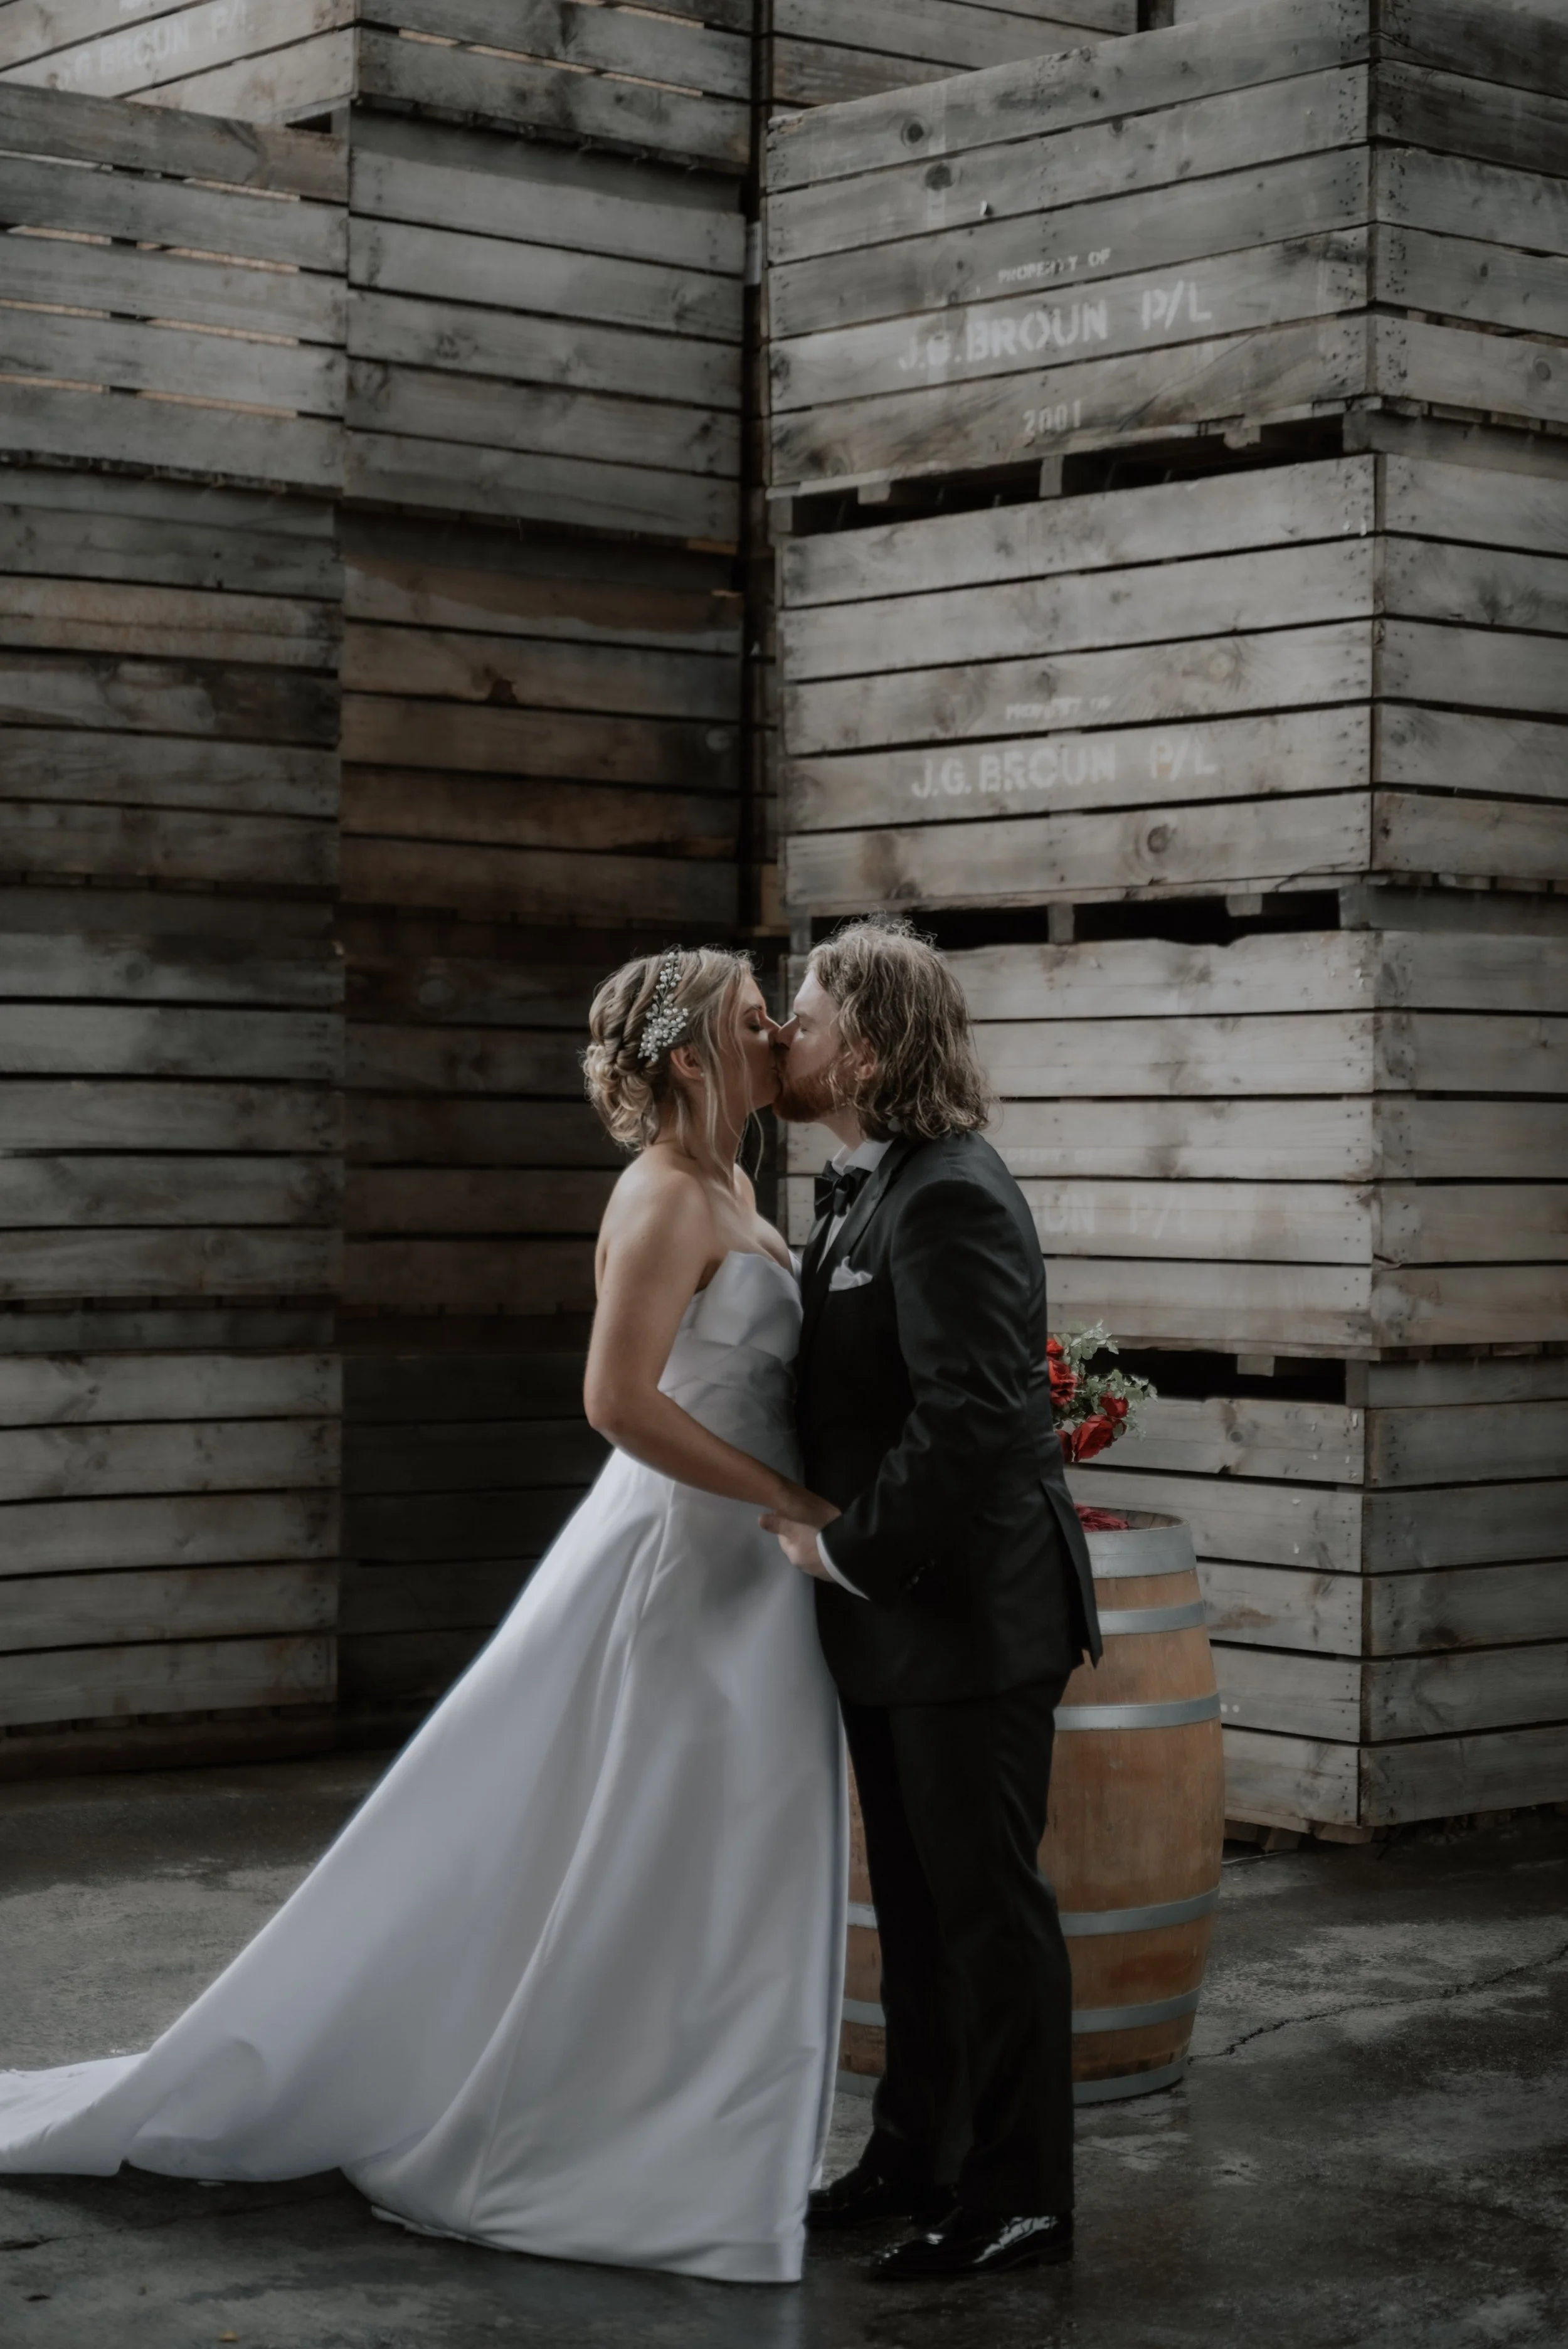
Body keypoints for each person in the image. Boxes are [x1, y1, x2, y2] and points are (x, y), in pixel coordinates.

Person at [0, 946, 847, 2287]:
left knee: (719, 1851)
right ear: (691, 1058)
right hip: (684, 1558)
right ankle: (575, 2139)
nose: (776, 1031)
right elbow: (618, 1404)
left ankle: (700, 2128)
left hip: (752, 1564)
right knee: (645, 1836)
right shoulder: (662, 1196)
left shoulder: (736, 1182)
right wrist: (789, 1495)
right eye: (755, 1019)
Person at [765, 915, 1101, 2281]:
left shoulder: (952, 1190)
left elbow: (971, 1415)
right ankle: (916, 2153)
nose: (783, 1034)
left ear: (867, 1042)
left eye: (802, 1013)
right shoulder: (861, 1184)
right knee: (910, 1906)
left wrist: (845, 1550)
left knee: (983, 1906)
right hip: (898, 1619)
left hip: (967, 1612)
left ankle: (1019, 2194)